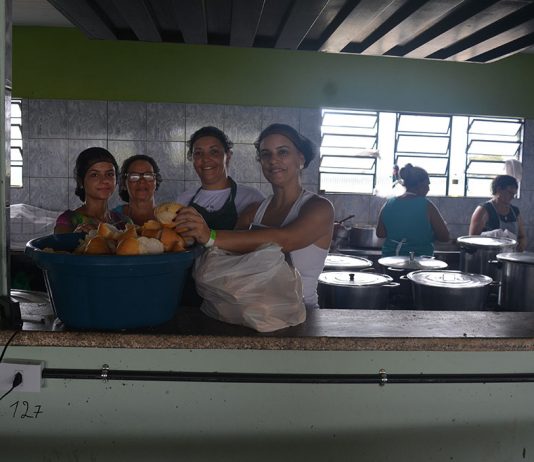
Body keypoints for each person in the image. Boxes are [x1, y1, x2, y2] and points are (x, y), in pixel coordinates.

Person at [175, 123, 335, 309]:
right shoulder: (253, 211)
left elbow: (286, 239)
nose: (273, 160)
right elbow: (228, 258)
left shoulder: (319, 208)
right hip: (253, 314)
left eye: (282, 152)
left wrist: (209, 235)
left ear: (301, 158)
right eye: (266, 154)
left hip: (301, 315)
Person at [177, 126, 265, 230]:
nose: (205, 159)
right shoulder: (184, 200)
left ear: (228, 156)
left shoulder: (251, 197)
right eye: (198, 153)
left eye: (214, 152)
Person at [376, 163, 449, 256]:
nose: (428, 189)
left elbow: (380, 234)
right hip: (419, 260)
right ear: (419, 185)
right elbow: (444, 237)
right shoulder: (427, 205)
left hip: (390, 259)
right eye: (427, 184)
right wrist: (432, 232)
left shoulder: (388, 204)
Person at [54, 147, 131, 234]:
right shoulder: (69, 220)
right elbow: (59, 241)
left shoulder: (124, 222)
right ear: (81, 181)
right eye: (94, 175)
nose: (104, 180)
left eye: (110, 174)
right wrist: (76, 236)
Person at [469, 174, 527, 251]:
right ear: (499, 189)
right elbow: (472, 239)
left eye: (514, 194)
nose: (512, 197)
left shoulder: (515, 211)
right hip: (487, 255)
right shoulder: (484, 210)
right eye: (510, 193)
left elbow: (522, 236)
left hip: (510, 255)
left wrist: (520, 246)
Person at [113, 154, 162, 226]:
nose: (142, 181)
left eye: (148, 175)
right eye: (134, 176)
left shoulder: (171, 218)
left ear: (156, 182)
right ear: (124, 183)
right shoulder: (112, 217)